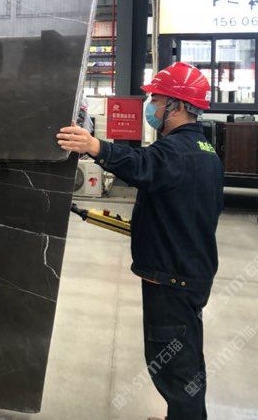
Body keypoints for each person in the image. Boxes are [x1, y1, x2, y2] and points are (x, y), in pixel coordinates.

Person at [56, 62, 224, 420]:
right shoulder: (204, 150)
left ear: (177, 106)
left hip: (172, 278)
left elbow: (142, 164)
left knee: (176, 368)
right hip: (189, 271)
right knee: (185, 357)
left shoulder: (176, 152)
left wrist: (95, 146)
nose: (152, 107)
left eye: (157, 100)